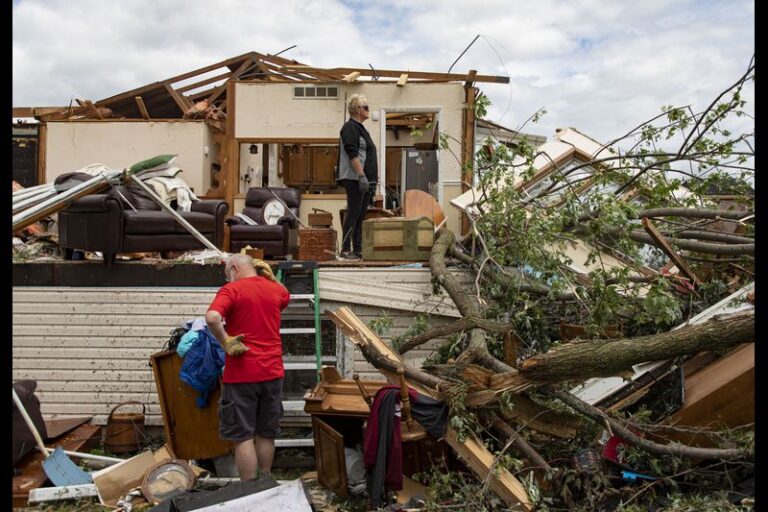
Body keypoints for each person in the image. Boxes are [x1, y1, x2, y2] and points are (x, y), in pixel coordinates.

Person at [205, 254, 290, 479]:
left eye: (228, 275)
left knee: (242, 436)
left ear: (234, 268)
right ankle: (265, 484)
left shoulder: (232, 290)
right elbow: (286, 296)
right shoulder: (275, 290)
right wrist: (273, 280)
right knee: (266, 433)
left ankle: (249, 490)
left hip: (242, 375)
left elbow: (213, 317)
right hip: (272, 372)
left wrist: (225, 341)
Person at [337, 93, 378, 259]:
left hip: (365, 180)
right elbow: (352, 153)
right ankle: (346, 250)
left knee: (361, 214)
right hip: (355, 178)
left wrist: (370, 180)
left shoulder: (361, 128)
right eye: (366, 107)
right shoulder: (350, 127)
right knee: (353, 212)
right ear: (356, 110)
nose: (369, 110)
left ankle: (358, 249)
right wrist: (361, 175)